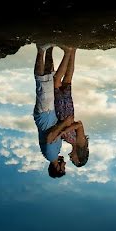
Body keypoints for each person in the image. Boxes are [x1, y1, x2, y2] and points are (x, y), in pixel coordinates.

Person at [33, 43, 74, 178]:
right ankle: (49, 48)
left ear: (58, 169)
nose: (65, 165)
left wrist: (64, 124)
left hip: (45, 114)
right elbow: (57, 134)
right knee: (50, 75)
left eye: (63, 168)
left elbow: (50, 136)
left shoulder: (51, 155)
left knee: (42, 81)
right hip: (50, 114)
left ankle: (40, 50)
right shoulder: (55, 153)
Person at [52, 46, 90, 167]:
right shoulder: (81, 144)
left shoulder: (72, 143)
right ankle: (69, 51)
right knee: (58, 82)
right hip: (66, 110)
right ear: (79, 158)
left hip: (62, 112)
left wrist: (60, 132)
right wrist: (63, 131)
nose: (71, 158)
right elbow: (79, 125)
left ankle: (73, 50)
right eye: (73, 160)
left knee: (66, 81)